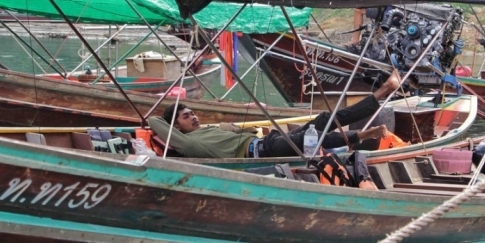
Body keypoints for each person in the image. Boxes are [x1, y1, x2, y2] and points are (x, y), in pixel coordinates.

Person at [149, 70, 402, 158]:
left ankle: (359, 135)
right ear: (176, 127)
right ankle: (382, 92)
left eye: (192, 113)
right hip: (262, 152)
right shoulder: (187, 143)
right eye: (186, 117)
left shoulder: (207, 132)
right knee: (318, 130)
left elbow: (236, 132)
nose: (193, 117)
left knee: (316, 132)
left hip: (265, 143)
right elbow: (153, 120)